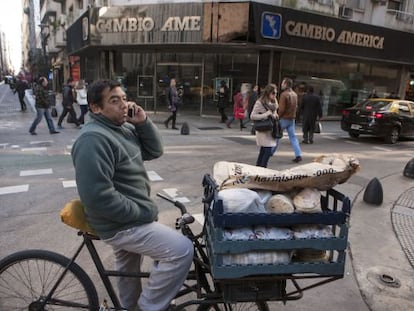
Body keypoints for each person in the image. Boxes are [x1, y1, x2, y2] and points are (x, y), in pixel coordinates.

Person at [71, 79, 193, 311]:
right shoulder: (93, 139)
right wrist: (141, 211)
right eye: (114, 101)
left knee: (128, 270)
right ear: (96, 108)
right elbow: (98, 196)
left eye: (124, 99)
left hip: (126, 219)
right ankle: (149, 307)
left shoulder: (123, 128)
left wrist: (143, 122)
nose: (123, 105)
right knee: (181, 250)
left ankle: (128, 308)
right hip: (119, 223)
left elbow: (154, 150)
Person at [272, 77, 302, 163]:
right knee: (293, 138)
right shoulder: (295, 94)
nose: (281, 84)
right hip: (291, 119)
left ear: (286, 84)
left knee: (276, 136)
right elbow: (296, 107)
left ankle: (271, 151)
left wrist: (278, 116)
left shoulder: (284, 94)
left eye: (282, 83)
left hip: (284, 118)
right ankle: (298, 154)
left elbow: (281, 109)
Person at [250, 84, 278, 168]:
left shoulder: (274, 102)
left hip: (271, 129)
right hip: (263, 129)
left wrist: (275, 115)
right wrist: (265, 114)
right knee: (267, 150)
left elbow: (274, 112)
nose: (275, 95)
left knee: (264, 150)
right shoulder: (260, 102)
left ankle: (258, 168)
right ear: (268, 92)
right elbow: (252, 116)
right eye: (273, 93)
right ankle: (262, 168)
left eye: (276, 93)